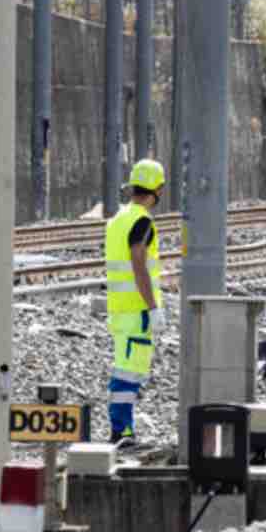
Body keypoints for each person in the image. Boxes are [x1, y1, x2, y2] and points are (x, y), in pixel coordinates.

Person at [104, 159, 167, 445]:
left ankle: (121, 429)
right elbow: (138, 265)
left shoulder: (118, 218)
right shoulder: (142, 221)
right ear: (157, 189)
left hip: (119, 309)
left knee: (125, 368)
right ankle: (122, 431)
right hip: (136, 310)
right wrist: (153, 307)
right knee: (129, 372)